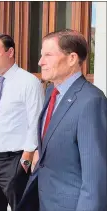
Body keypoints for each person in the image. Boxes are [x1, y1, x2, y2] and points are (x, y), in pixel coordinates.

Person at [17, 29, 107, 211]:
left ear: (72, 58)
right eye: (42, 55)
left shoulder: (91, 101)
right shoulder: (51, 92)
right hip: (44, 200)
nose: (40, 61)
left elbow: (95, 177)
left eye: (48, 55)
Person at [0, 33, 44, 211]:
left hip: (15, 159)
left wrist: (25, 160)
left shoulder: (29, 82)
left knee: (22, 206)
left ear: (10, 52)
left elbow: (36, 121)